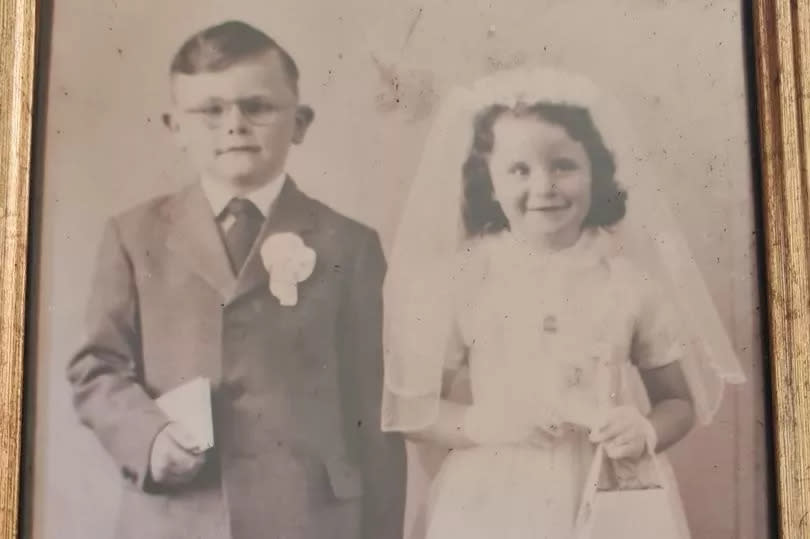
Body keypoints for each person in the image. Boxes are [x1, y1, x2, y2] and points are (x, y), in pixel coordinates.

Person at [67, 20, 406, 539]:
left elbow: (375, 410)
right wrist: (149, 439)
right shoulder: (134, 236)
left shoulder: (349, 245)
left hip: (312, 519)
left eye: (258, 107)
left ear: (300, 122)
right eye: (210, 110)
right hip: (179, 517)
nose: (235, 125)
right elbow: (97, 367)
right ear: (174, 126)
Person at [381, 68, 746, 539]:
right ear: (489, 180)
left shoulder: (629, 283)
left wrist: (647, 431)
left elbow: (678, 401)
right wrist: (481, 423)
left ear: (596, 170)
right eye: (519, 169)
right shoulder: (466, 280)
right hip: (493, 495)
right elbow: (415, 411)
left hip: (607, 486)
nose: (544, 186)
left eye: (563, 166)